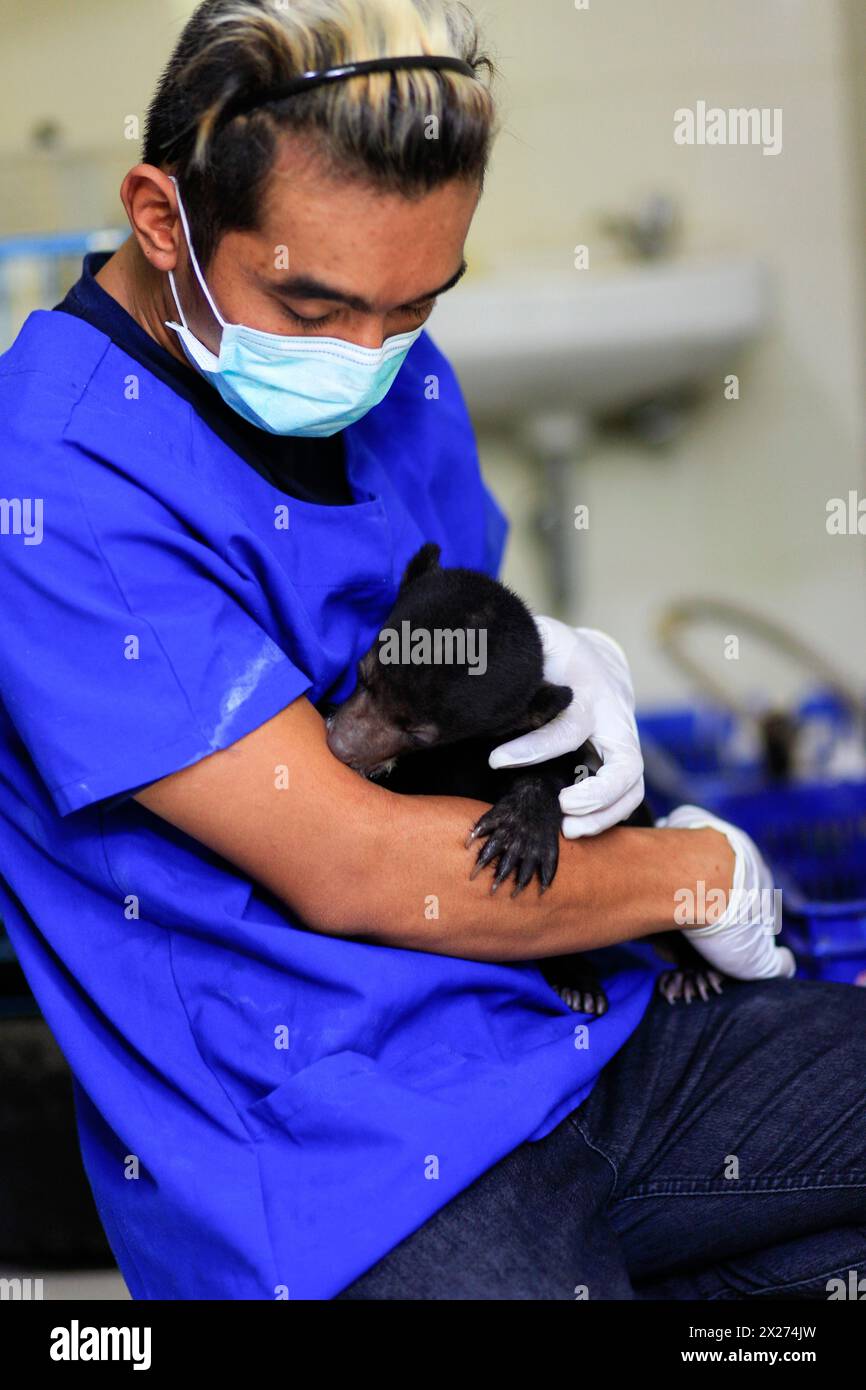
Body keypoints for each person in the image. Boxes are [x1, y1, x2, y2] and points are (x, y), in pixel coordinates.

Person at [0, 0, 861, 1301]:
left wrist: (549, 666)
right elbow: (351, 864)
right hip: (328, 1149)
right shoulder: (57, 485)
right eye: (313, 300)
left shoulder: (397, 368)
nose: (370, 355)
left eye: (414, 304)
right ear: (162, 217)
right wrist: (698, 874)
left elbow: (459, 627)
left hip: (562, 1017)